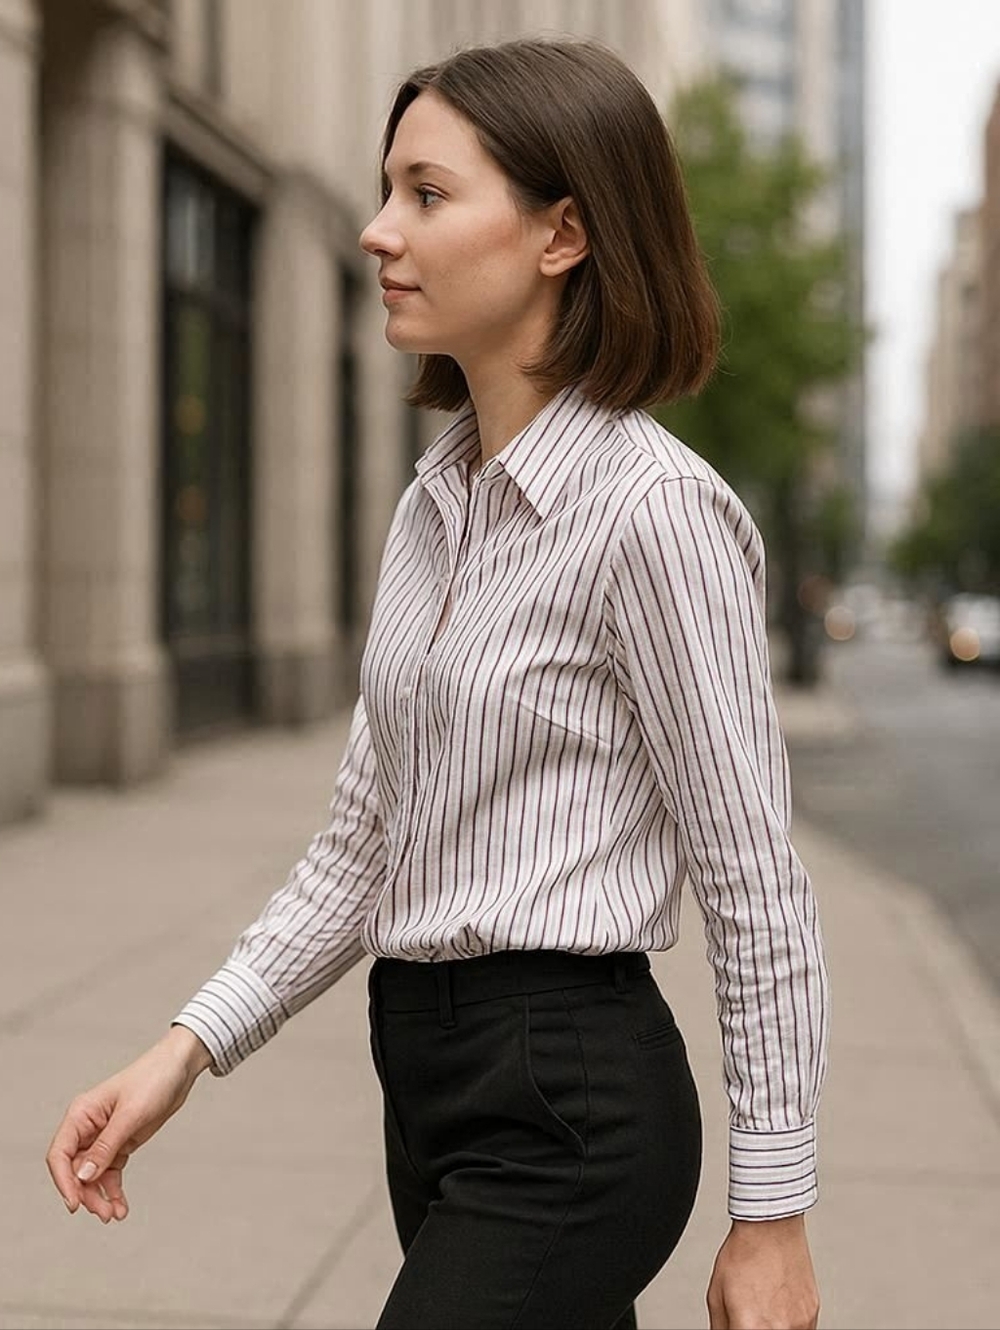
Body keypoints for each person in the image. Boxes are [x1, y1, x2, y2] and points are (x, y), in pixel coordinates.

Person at [46, 37, 829, 1330]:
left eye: (426, 192)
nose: (374, 232)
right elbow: (363, 844)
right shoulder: (433, 507)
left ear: (561, 233)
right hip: (426, 1076)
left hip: (574, 1102)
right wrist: (183, 1049)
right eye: (383, 190)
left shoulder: (655, 513)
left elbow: (755, 881)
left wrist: (773, 1212)